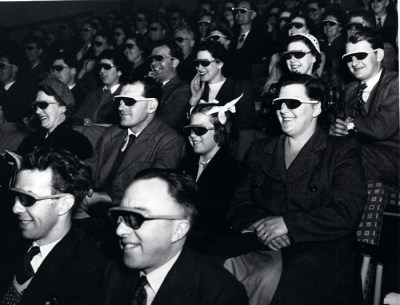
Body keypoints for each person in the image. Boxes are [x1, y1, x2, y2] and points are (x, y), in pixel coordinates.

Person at [226, 74, 366, 305]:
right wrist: (264, 227)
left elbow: (346, 212)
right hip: (260, 241)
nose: (283, 109)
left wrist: (288, 225)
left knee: (279, 284)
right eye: (279, 103)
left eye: (292, 103)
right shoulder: (261, 149)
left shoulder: (341, 151)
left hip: (319, 249)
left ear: (316, 108)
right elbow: (239, 203)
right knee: (213, 265)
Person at [95, 168, 249, 305]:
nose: (120, 230)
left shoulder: (220, 295)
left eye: (135, 218)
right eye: (120, 216)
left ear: (178, 230)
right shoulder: (114, 272)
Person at [0, 148, 107, 305]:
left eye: (28, 198)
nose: (16, 208)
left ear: (64, 204)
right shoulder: (8, 239)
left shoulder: (90, 270)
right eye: (16, 195)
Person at [86, 77, 186, 207]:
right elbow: (92, 166)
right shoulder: (113, 132)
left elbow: (153, 190)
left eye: (129, 101)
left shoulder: (170, 142)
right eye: (120, 101)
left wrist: (105, 197)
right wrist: (83, 186)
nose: (121, 107)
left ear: (151, 106)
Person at [330, 29, 399, 187]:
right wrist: (335, 130)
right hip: (359, 155)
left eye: (361, 55)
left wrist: (348, 125)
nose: (354, 63)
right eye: (349, 58)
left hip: (393, 160)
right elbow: (342, 124)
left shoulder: (396, 84)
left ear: (379, 55)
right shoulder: (350, 89)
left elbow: (381, 128)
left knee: (346, 152)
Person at [181, 101, 241, 253]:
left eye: (199, 130)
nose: (192, 135)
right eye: (190, 130)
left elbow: (215, 224)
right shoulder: (186, 164)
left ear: (220, 132)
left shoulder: (234, 172)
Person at [17, 76, 92, 160]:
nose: (37, 111)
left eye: (43, 105)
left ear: (63, 108)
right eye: (36, 105)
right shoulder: (32, 138)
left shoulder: (76, 142)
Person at [189, 40, 255, 130]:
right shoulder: (198, 90)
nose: (199, 68)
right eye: (197, 63)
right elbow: (188, 126)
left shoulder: (240, 88)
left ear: (219, 63)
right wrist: (193, 101)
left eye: (205, 63)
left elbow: (245, 126)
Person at [75, 49, 124, 125]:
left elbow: (121, 126)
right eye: (100, 67)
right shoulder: (93, 94)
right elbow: (77, 118)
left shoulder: (124, 95)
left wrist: (96, 125)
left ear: (119, 71)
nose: (102, 70)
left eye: (107, 67)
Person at [149, 41, 190, 130]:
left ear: (174, 62)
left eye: (159, 58)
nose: (153, 63)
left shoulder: (182, 90)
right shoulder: (153, 87)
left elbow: (165, 122)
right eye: (151, 60)